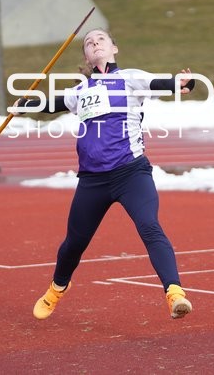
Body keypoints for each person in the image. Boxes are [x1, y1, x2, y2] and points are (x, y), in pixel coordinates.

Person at [15, 28, 196, 321]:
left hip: (131, 173)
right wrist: (24, 105)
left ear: (114, 48)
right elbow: (52, 103)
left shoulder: (130, 78)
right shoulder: (80, 91)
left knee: (150, 227)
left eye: (100, 39)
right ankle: (57, 288)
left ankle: (175, 293)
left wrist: (182, 83)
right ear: (86, 56)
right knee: (74, 243)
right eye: (89, 42)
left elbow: (165, 83)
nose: (95, 43)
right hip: (92, 181)